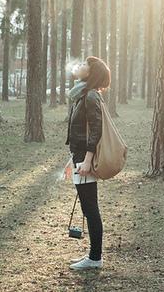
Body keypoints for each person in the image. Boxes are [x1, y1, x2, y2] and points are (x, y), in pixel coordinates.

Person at [64, 56, 110, 270]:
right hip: (79, 155)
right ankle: (93, 255)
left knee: (90, 207)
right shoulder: (82, 94)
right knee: (88, 206)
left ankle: (94, 258)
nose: (80, 65)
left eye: (85, 65)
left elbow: (96, 131)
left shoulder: (90, 96)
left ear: (91, 74)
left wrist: (86, 161)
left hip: (85, 158)